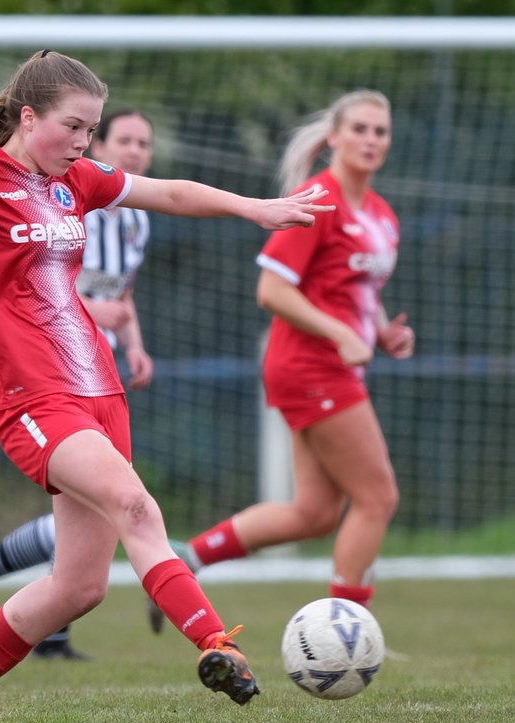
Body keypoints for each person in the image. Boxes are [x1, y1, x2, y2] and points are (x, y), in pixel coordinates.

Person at [0, 50, 332, 723]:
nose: (83, 143)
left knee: (79, 587)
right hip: (34, 402)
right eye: (73, 127)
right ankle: (214, 644)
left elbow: (168, 192)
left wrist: (254, 208)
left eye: (91, 130)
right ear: (29, 117)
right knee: (138, 505)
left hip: (101, 394)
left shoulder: (74, 179)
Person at [164, 89, 413, 618]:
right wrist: (340, 335)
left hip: (330, 366)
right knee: (378, 497)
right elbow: (272, 291)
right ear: (334, 138)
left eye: (381, 131)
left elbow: (355, 291)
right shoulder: (317, 199)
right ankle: (346, 633)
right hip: (311, 367)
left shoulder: (382, 215)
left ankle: (185, 562)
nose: (371, 140)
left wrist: (380, 330)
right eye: (360, 129)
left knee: (316, 512)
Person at [0, 107, 157, 661]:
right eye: (123, 139)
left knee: (98, 516)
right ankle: (22, 613)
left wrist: (137, 344)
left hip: (95, 369)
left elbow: (118, 293)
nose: (133, 151)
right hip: (43, 372)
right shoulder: (66, 194)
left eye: (143, 143)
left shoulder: (132, 217)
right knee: (110, 505)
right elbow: (55, 286)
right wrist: (93, 310)